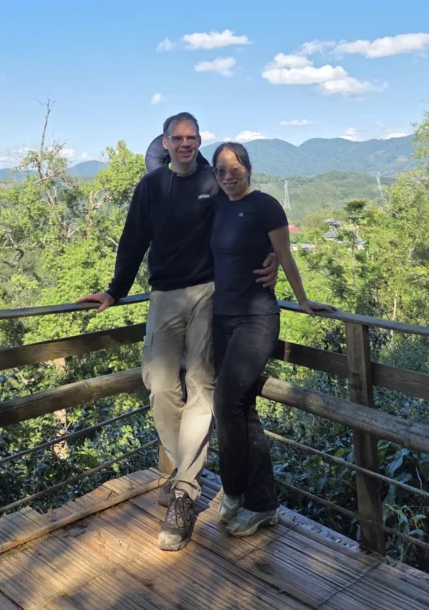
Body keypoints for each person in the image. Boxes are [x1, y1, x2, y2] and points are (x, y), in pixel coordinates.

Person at [77, 113, 278, 552]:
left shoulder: (212, 181)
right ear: (165, 143)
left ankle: (185, 492)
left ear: (199, 141)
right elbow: (133, 240)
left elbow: (247, 216)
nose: (186, 144)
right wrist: (114, 290)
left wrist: (274, 257)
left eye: (192, 138)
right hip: (164, 293)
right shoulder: (151, 186)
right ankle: (185, 468)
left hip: (208, 291)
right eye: (178, 138)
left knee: (202, 384)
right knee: (159, 384)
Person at [209, 141, 336, 537]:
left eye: (234, 168)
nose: (228, 176)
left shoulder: (265, 205)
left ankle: (236, 492)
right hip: (220, 318)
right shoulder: (216, 206)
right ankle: (260, 503)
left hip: (257, 318)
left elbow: (285, 253)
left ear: (248, 168)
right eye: (220, 170)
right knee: (241, 407)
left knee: (225, 401)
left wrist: (302, 299)